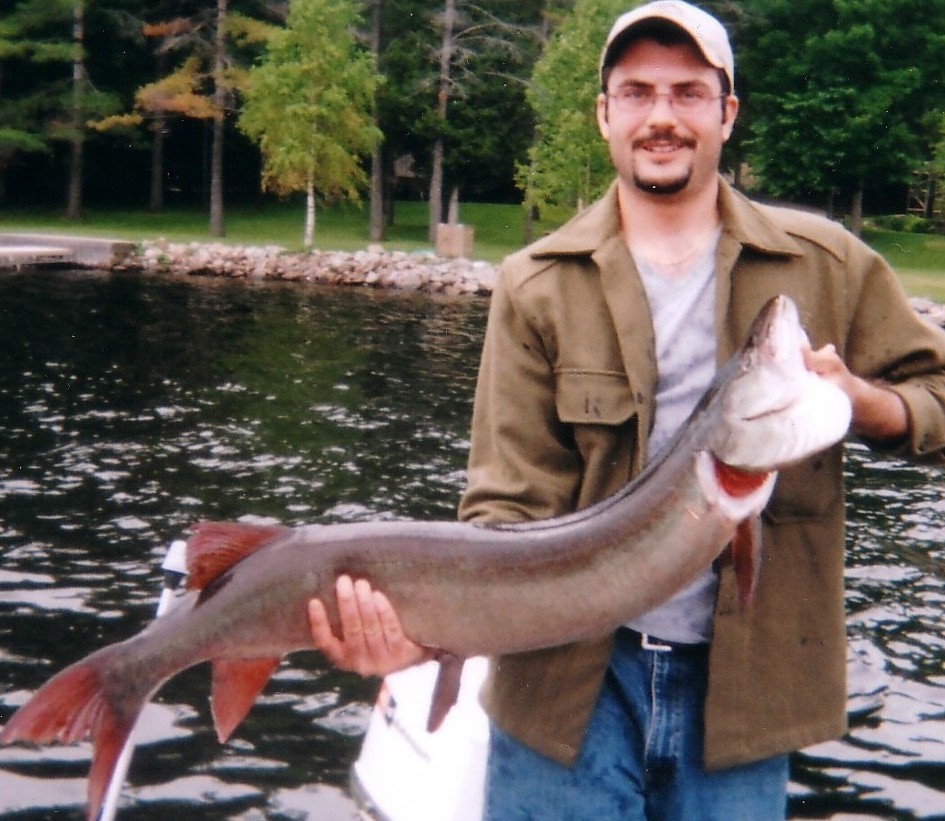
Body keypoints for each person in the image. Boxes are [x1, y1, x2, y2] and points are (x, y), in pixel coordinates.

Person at [307, 2, 945, 818]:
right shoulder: (534, 282)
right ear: (604, 114)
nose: (661, 117)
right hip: (564, 694)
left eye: (687, 93)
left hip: (741, 702)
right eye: (636, 92)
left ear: (726, 113)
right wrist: (425, 624)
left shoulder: (827, 263)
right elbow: (505, 507)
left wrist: (864, 405)